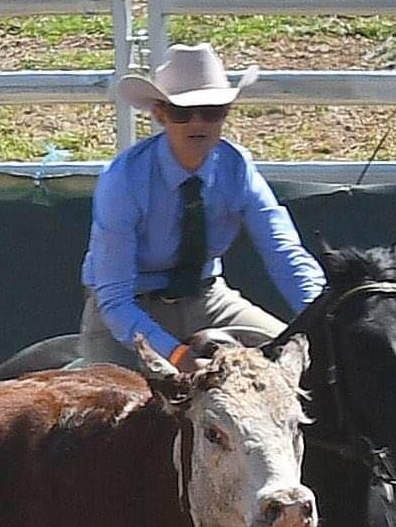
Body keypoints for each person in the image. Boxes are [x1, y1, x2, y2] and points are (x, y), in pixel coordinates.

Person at [79, 42, 323, 370]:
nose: (197, 123)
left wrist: (324, 317)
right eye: (182, 113)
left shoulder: (237, 167)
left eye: (211, 111)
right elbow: (115, 301)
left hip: (208, 298)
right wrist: (178, 357)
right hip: (130, 310)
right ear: (160, 114)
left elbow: (285, 253)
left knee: (301, 365)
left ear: (226, 113)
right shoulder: (124, 179)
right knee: (115, 397)